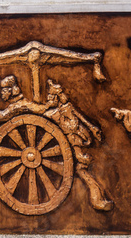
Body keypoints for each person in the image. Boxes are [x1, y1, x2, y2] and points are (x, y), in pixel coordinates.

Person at [44, 79, 113, 211]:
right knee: (81, 170)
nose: (48, 99)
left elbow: (77, 121)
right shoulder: (55, 113)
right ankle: (97, 200)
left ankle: (97, 200)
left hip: (73, 141)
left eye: (51, 96)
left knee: (81, 170)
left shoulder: (63, 110)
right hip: (68, 144)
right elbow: (79, 119)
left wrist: (91, 128)